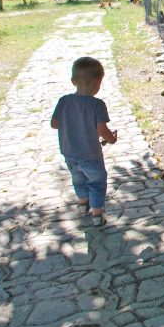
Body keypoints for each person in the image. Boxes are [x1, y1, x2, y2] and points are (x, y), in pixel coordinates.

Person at [51, 57, 118, 226]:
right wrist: (111, 139)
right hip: (90, 155)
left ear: (73, 81)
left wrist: (70, 121)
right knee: (96, 182)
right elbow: (102, 130)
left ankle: (82, 203)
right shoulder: (97, 105)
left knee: (78, 179)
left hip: (69, 153)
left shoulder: (64, 101)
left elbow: (54, 124)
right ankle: (96, 213)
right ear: (98, 82)